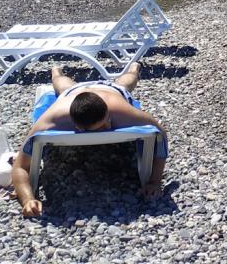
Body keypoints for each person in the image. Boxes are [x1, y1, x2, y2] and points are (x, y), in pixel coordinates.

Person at [11, 63, 167, 218]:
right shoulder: (52, 119)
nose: (109, 125)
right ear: (78, 127)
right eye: (102, 126)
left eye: (107, 120)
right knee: (62, 86)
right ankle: (55, 71)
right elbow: (21, 166)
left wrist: (154, 181)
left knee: (124, 84)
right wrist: (28, 200)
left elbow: (161, 136)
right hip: (71, 94)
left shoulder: (120, 112)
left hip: (111, 92)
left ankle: (134, 68)